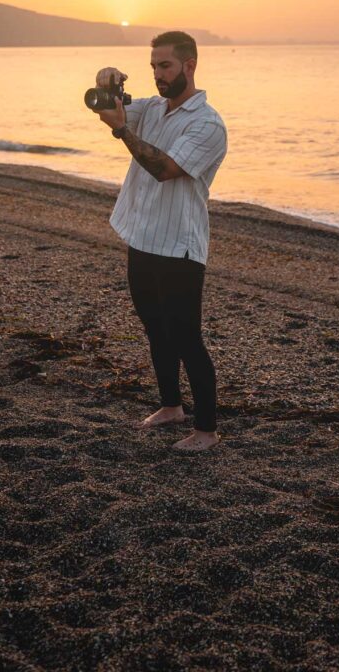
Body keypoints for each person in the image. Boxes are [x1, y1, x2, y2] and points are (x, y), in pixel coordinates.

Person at [92, 31, 227, 452]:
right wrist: (104, 82)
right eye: (152, 67)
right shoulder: (153, 108)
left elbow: (164, 168)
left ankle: (206, 429)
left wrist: (121, 134)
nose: (157, 75)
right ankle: (171, 406)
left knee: (186, 337)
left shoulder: (207, 124)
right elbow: (109, 108)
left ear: (189, 66)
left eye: (165, 66)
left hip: (180, 247)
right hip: (143, 235)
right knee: (155, 329)